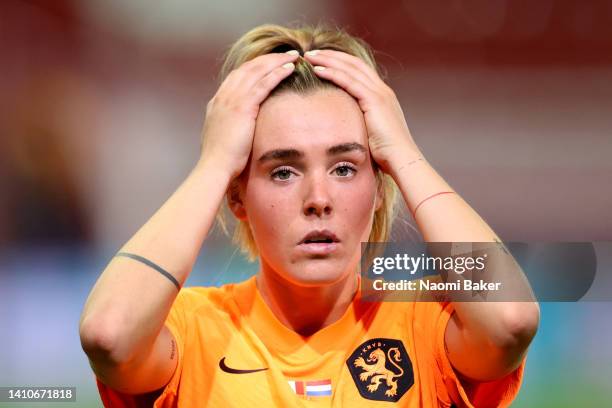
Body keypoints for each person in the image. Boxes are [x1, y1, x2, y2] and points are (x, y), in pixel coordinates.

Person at [79, 23, 539, 407]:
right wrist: (214, 164)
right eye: (283, 171)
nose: (318, 197)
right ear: (237, 197)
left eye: (344, 168)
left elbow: (511, 321)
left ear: (378, 187)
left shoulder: (423, 321)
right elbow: (109, 335)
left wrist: (403, 153)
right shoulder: (193, 329)